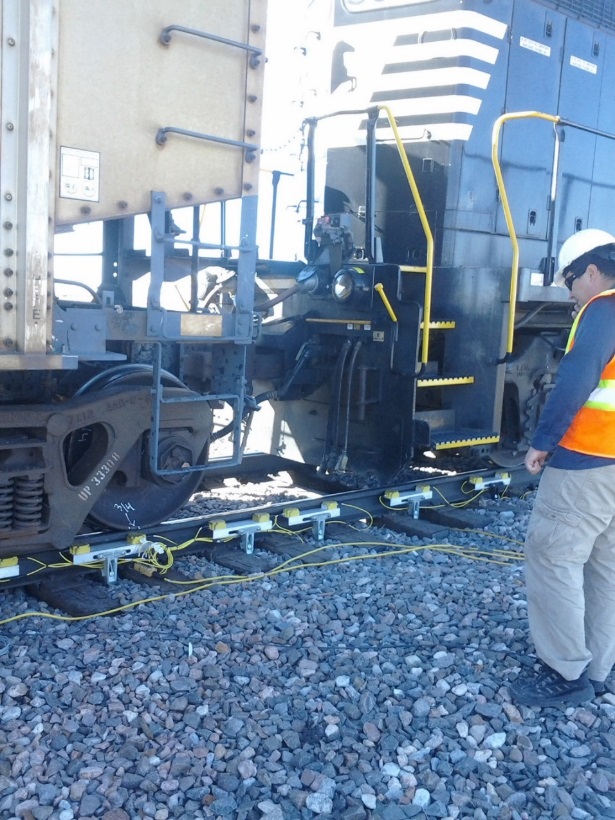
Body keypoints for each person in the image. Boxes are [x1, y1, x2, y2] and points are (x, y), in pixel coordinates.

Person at [510, 228, 615, 708]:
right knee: (604, 568)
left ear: (593, 271)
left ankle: (565, 671)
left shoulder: (603, 309)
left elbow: (576, 376)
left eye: (571, 279)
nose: (570, 291)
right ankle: (597, 669)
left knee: (553, 557)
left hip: (588, 462)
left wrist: (543, 442)